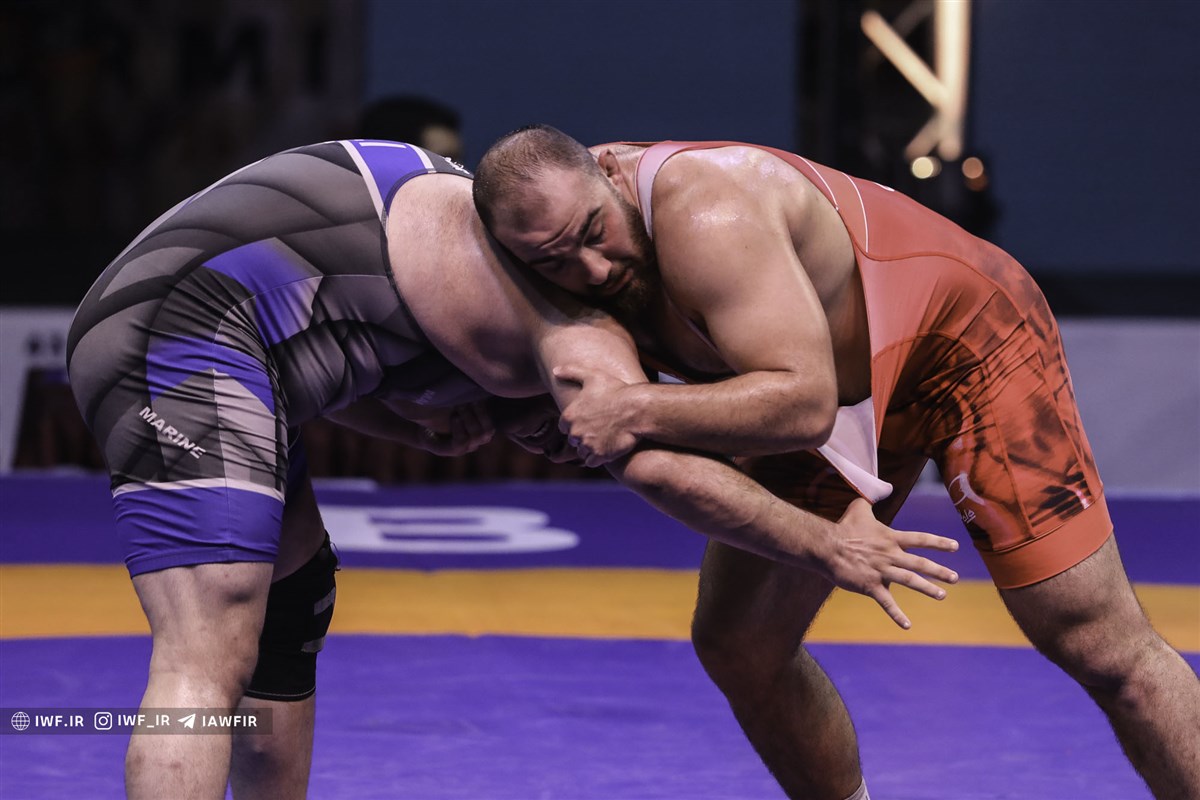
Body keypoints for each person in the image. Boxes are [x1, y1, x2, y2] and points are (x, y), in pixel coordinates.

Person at [68, 139, 960, 799]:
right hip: (172, 325)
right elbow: (653, 466)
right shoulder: (577, 326)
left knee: (286, 622)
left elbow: (312, 335)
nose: (595, 269)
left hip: (226, 320)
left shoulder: (500, 240)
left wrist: (412, 419)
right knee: (211, 644)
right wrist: (821, 543)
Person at [471, 126, 1200, 800]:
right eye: (553, 261)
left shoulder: (705, 211)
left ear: (608, 171)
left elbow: (803, 405)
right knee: (741, 645)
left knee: (1098, 644)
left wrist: (632, 407)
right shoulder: (529, 257)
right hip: (829, 393)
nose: (593, 269)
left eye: (593, 233)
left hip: (964, 342)